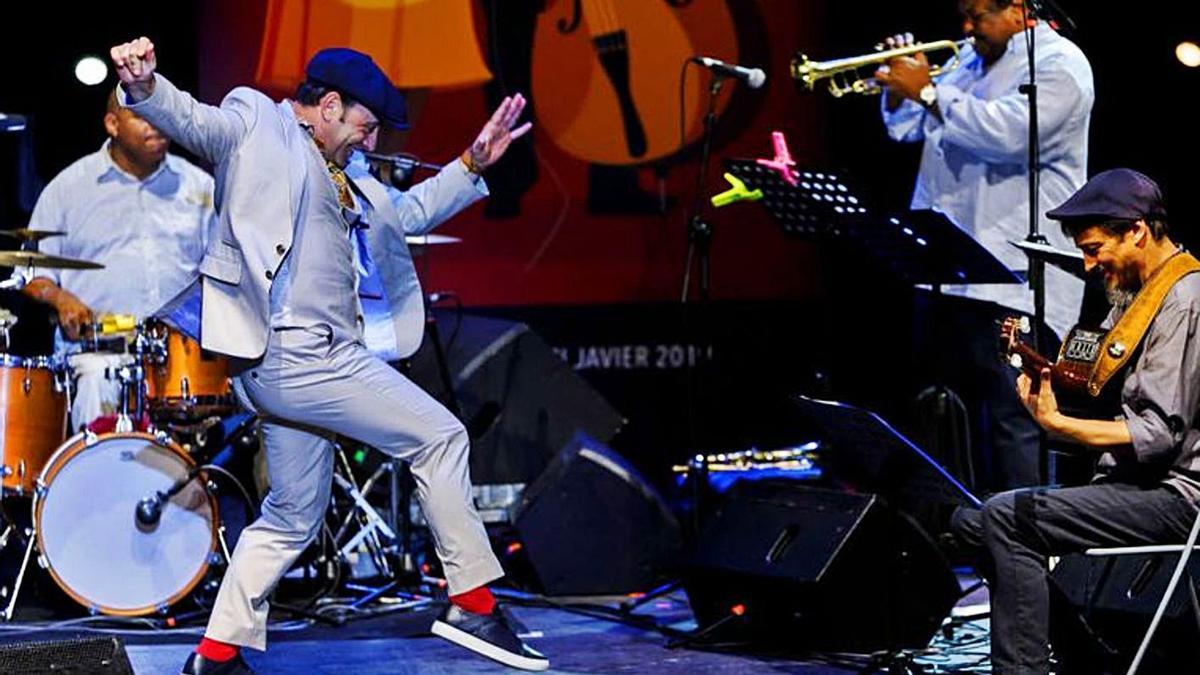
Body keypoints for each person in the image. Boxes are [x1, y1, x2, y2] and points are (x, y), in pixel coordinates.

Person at [108, 37, 545, 673]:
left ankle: (216, 654)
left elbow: (409, 212)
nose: (369, 142)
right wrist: (146, 87)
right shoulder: (259, 123)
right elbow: (196, 120)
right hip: (298, 352)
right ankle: (474, 604)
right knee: (440, 437)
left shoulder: (350, 179)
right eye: (364, 127)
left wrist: (472, 165)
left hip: (289, 367)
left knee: (290, 517)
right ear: (329, 105)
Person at [954, 169, 1200, 673]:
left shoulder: (1183, 299)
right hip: (1132, 484)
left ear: (1136, 230)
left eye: (1094, 248)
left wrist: (1060, 427)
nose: (1088, 265)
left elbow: (1155, 436)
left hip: (1175, 496)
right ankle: (1084, 660)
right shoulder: (1137, 293)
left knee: (1005, 516)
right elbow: (1097, 387)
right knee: (972, 523)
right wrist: (1048, 387)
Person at [875, 0, 1094, 491]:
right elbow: (905, 128)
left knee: (1012, 429)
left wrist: (929, 91)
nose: (967, 27)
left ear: (1018, 9)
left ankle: (1029, 555)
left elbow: (1008, 135)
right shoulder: (966, 62)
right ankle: (947, 548)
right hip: (945, 274)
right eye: (963, 15)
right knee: (936, 422)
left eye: (978, 14)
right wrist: (897, 91)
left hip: (1013, 281)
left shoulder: (1061, 65)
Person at [20, 90, 217, 432]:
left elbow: (224, 272)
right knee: (98, 382)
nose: (157, 126)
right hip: (100, 352)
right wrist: (62, 298)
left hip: (181, 360)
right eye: (143, 117)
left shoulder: (199, 187)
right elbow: (31, 275)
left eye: (162, 115)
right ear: (112, 124)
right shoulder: (68, 190)